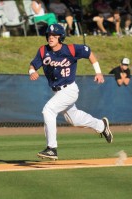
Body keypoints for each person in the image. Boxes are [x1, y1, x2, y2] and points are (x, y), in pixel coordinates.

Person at [28, 24, 113, 160]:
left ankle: (52, 148)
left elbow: (88, 52)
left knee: (48, 110)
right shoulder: (43, 51)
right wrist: (32, 71)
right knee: (74, 119)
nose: (51, 38)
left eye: (54, 36)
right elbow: (33, 64)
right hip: (58, 92)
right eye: (49, 35)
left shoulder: (71, 49)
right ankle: (101, 125)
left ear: (61, 37)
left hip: (69, 89)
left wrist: (98, 72)